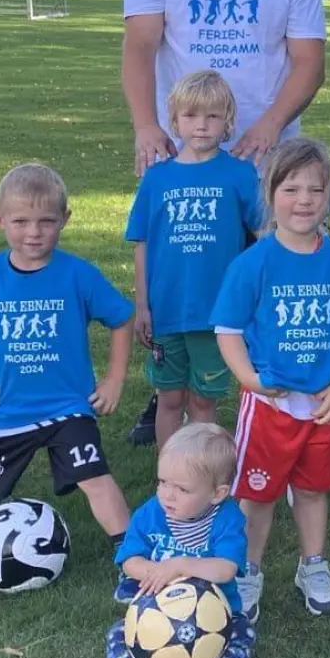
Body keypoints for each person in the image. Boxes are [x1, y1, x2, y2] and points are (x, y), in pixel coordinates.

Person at [121, 0, 326, 446]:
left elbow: (309, 62)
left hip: (261, 161)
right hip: (182, 149)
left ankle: (266, 397)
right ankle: (167, 395)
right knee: (178, 266)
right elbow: (139, 45)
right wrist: (145, 125)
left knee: (256, 276)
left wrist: (268, 126)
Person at [0, 164, 136, 544]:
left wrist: (115, 378)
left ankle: (129, 550)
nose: (34, 233)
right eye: (20, 221)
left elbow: (121, 319)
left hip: (67, 405)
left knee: (94, 476)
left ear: (65, 219)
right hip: (5, 407)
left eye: (46, 221)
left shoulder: (79, 275)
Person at [211, 138, 330, 621]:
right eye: (291, 189)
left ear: (328, 196)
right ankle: (247, 570)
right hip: (270, 406)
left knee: (312, 489)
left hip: (324, 404)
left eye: (316, 189)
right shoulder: (254, 262)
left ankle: (314, 564)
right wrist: (250, 379)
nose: (304, 200)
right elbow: (228, 330)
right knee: (256, 496)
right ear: (270, 192)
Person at [125, 72, 261, 452]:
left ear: (228, 121)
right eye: (191, 116)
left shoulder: (239, 173)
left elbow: (263, 238)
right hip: (167, 311)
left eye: (213, 117)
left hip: (217, 312)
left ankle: (204, 473)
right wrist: (142, 306)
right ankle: (170, 477)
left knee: (204, 400)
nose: (202, 125)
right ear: (175, 120)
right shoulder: (157, 178)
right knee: (169, 399)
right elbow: (143, 243)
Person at [97, 423, 255, 658]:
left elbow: (226, 568)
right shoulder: (151, 513)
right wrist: (153, 571)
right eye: (162, 482)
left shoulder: (228, 519)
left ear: (217, 493)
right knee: (119, 632)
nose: (167, 494)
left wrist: (180, 565)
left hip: (213, 617)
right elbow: (128, 560)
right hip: (155, 615)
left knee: (243, 631)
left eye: (182, 489)